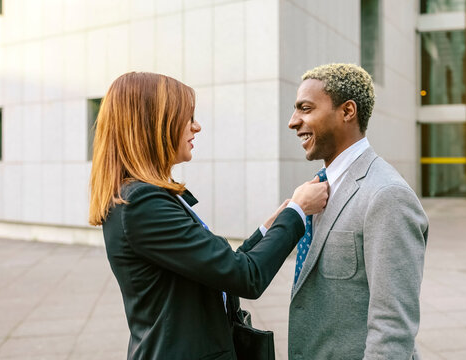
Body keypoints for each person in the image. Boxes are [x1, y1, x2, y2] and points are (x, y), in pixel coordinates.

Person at [88, 72, 328, 360]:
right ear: (154, 123)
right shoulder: (143, 203)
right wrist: (297, 212)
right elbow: (245, 276)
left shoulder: (144, 198)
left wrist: (271, 226)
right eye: (187, 118)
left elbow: (220, 267)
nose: (197, 127)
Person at [287, 63, 429, 359]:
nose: (293, 121)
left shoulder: (388, 195)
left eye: (305, 108)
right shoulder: (318, 189)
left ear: (347, 112)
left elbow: (393, 327)